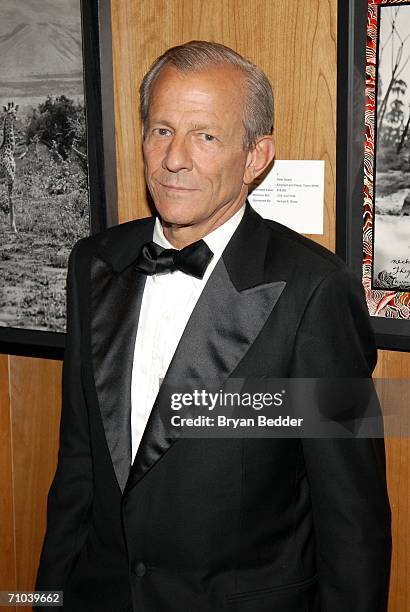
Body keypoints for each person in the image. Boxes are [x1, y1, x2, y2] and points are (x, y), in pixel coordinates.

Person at [36, 41, 391, 612]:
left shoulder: (314, 290)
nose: (174, 158)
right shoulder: (93, 263)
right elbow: (77, 466)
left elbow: (353, 520)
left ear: (255, 157)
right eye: (161, 130)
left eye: (206, 136)